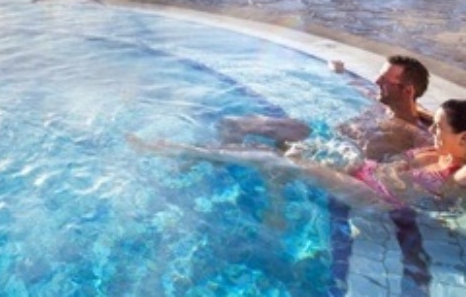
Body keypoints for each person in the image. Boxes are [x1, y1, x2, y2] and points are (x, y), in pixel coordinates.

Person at [127, 99, 466, 211]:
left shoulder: (458, 174)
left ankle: (177, 151)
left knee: (275, 160)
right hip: (364, 169)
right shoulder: (435, 149)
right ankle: (202, 156)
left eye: (439, 127)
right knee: (274, 146)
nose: (432, 131)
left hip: (377, 195)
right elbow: (420, 114)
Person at [219, 54, 433, 161]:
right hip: (319, 134)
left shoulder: (416, 134)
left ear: (408, 90)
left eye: (385, 80)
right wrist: (341, 72)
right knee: (236, 123)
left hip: (332, 156)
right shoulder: (382, 103)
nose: (376, 81)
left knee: (263, 158)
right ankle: (223, 168)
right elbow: (362, 87)